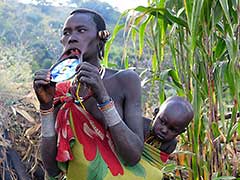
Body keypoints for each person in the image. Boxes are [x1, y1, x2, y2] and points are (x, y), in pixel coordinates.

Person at [33, 8, 163, 179]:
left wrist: (102, 97)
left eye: (81, 30)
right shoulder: (61, 91)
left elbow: (133, 156)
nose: (72, 37)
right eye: (67, 33)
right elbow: (52, 169)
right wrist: (46, 107)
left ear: (101, 37)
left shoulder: (124, 80)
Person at [144, 96, 194, 163]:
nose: (164, 130)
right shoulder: (138, 125)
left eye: (172, 129)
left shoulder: (170, 145)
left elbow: (156, 165)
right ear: (156, 113)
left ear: (180, 132)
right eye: (162, 122)